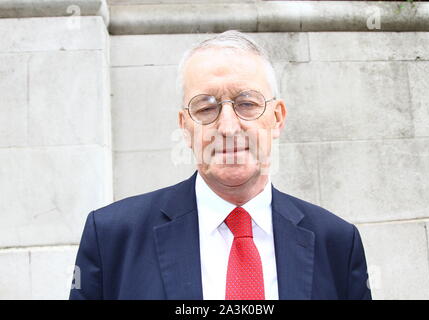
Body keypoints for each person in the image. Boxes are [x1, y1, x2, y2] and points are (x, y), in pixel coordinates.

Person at [69, 30, 372, 300]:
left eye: (246, 104)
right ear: (184, 125)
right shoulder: (111, 238)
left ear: (277, 117)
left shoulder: (337, 244)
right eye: (205, 108)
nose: (227, 128)